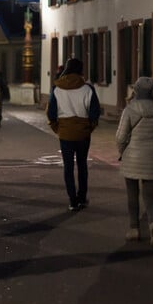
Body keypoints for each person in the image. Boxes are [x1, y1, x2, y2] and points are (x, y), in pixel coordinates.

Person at [116, 77, 153, 248]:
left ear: (137, 90)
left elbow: (121, 137)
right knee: (150, 196)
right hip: (152, 158)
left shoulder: (129, 109)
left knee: (132, 195)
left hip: (132, 157)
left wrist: (122, 151)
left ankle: (134, 229)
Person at [46, 58, 101, 211]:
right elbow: (95, 112)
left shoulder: (57, 88)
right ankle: (82, 197)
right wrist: (89, 127)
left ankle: (72, 200)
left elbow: (51, 113)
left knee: (68, 167)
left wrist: (57, 128)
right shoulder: (88, 89)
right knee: (82, 165)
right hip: (83, 133)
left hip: (65, 132)